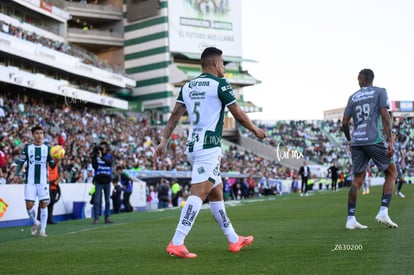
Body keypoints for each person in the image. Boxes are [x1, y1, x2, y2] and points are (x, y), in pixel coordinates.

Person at [155, 47, 266, 258]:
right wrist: (255, 130)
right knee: (199, 194)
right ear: (215, 63)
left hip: (193, 146)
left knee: (216, 193)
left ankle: (234, 239)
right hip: (208, 147)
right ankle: (177, 242)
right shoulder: (220, 84)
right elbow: (239, 115)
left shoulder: (187, 86)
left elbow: (175, 116)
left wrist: (163, 141)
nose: (224, 67)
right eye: (223, 63)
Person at [342, 68, 398, 230]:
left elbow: (344, 123)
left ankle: (350, 219)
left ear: (365, 79)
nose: (357, 81)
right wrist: (391, 142)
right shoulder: (380, 92)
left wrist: (350, 140)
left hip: (357, 141)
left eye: (359, 78)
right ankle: (383, 211)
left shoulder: (352, 97)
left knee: (357, 179)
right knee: (392, 173)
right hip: (374, 138)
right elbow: (385, 115)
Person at [14, 125, 60, 237]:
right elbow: (21, 162)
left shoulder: (48, 149)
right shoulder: (27, 148)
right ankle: (35, 222)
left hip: (43, 182)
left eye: (41, 133)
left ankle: (43, 231)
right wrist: (16, 174)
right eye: (37, 133)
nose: (39, 135)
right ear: (33, 135)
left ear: (43, 135)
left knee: (44, 204)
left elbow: (52, 166)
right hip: (30, 181)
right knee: (29, 205)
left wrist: (57, 159)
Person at [91, 141, 114, 224]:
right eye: (101, 148)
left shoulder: (109, 156)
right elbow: (95, 166)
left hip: (107, 180)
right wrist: (93, 157)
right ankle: (96, 218)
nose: (103, 149)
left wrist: (101, 157)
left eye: (104, 147)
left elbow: (110, 163)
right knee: (97, 201)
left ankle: (107, 217)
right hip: (98, 180)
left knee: (107, 201)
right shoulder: (96, 157)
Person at [392, 129, 406, 198]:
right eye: (392, 134)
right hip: (389, 164)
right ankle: (387, 195)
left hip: (396, 164)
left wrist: (403, 160)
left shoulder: (397, 144)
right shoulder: (386, 143)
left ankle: (398, 191)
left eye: (394, 134)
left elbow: (402, 152)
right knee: (390, 179)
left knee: (402, 179)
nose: (393, 135)